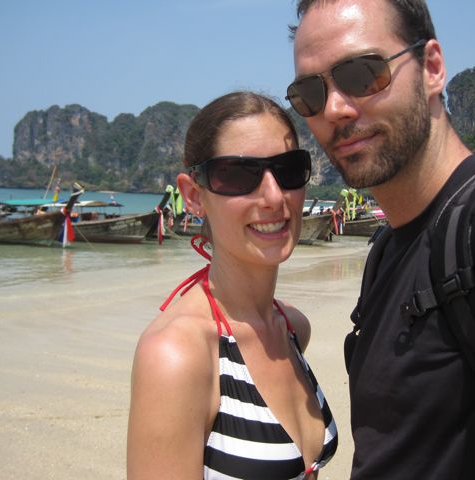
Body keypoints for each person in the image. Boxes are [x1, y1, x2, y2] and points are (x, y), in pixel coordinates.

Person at [288, 0, 475, 478]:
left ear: (432, 69)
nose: (334, 109)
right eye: (310, 94)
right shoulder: (385, 251)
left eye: (363, 74)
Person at [127, 91, 338, 479]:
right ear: (194, 196)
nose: (274, 197)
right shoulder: (176, 356)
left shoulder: (293, 328)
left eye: (289, 169)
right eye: (239, 175)